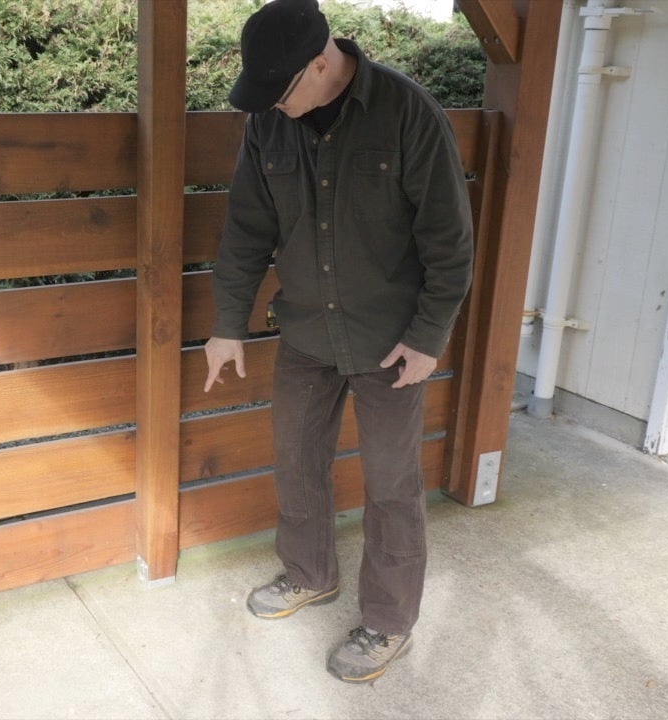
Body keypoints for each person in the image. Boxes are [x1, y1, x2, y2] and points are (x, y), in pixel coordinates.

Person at [202, 0, 474, 684]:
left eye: (281, 88)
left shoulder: (409, 114)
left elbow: (450, 244)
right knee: (295, 459)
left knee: (391, 486)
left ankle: (387, 621)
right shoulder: (269, 125)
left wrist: (428, 337)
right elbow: (245, 232)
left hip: (392, 344)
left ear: (321, 63)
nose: (268, 105)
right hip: (304, 332)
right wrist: (227, 324)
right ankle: (309, 574)